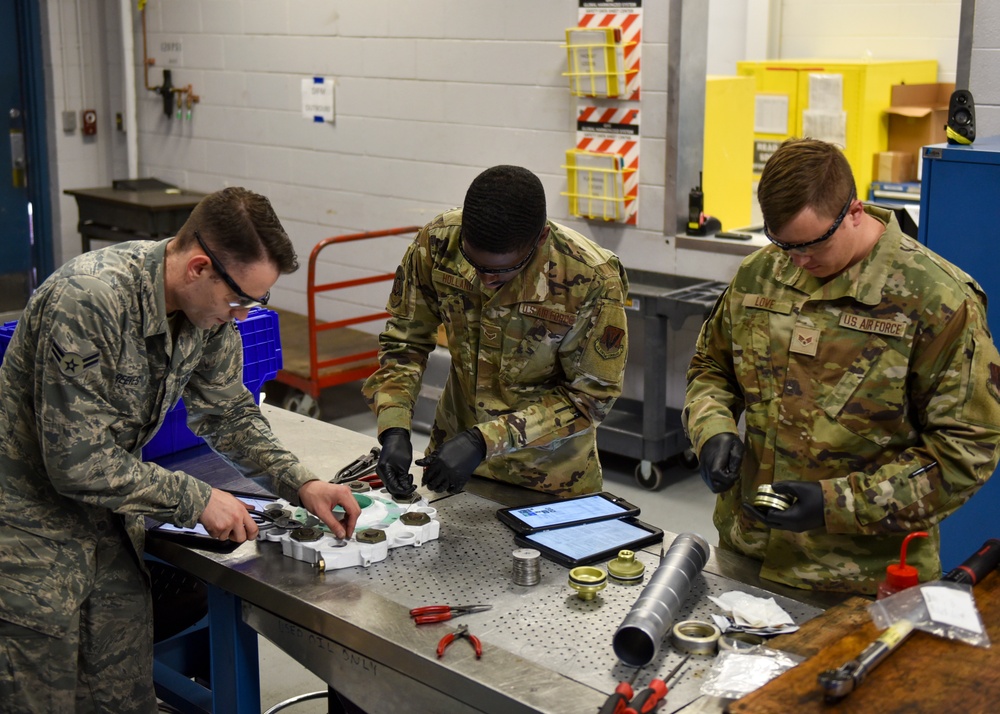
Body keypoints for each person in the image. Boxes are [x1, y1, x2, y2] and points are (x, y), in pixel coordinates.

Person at [0, 187, 361, 712]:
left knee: (125, 700)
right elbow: (75, 462)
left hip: (107, 528)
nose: (242, 316)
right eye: (239, 300)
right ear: (197, 268)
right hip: (28, 537)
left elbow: (230, 414)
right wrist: (196, 499)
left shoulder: (206, 315)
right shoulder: (90, 300)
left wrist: (301, 483)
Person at [683, 137, 1000, 595]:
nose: (797, 261)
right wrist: (711, 429)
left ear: (854, 211)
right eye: (783, 244)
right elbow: (711, 368)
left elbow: (965, 452)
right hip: (746, 553)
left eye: (810, 244)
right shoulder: (760, 274)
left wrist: (838, 503)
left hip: (863, 580)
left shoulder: (937, 300)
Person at [362, 165, 629, 497]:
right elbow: (405, 344)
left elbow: (590, 399)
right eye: (476, 266)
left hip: (548, 479)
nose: (486, 281)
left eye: (503, 271)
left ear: (540, 239)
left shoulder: (592, 278)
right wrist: (394, 426)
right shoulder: (438, 242)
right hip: (450, 466)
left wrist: (484, 440)